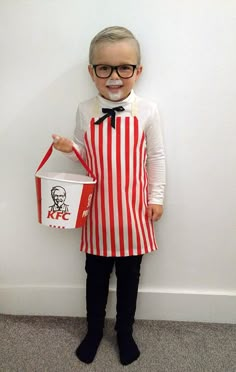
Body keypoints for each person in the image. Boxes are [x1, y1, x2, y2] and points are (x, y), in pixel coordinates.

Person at [52, 26, 166, 366]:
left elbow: (156, 157)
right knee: (95, 277)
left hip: (133, 215)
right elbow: (84, 154)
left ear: (137, 71)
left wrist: (156, 197)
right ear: (92, 72)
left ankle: (125, 331)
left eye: (124, 67)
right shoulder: (85, 110)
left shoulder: (147, 110)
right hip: (98, 214)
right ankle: (94, 329)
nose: (114, 76)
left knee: (130, 279)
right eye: (104, 68)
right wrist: (69, 148)